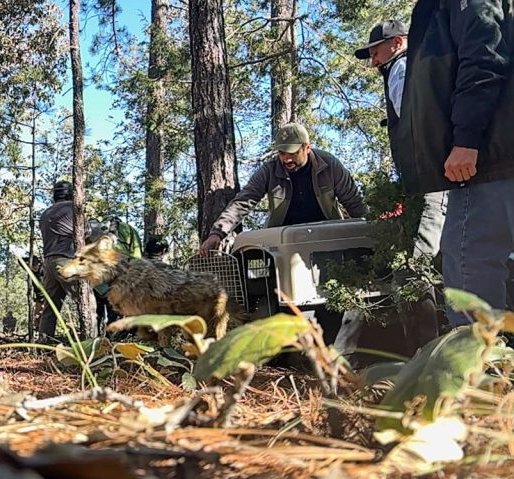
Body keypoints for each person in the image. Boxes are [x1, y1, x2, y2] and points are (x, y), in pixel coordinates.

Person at [394, 1, 514, 327]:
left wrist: (466, 140)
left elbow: (483, 55)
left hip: (486, 162)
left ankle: (476, 371)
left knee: (468, 267)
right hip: (492, 157)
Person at [348, 19, 446, 354]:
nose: (372, 57)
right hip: (429, 185)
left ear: (399, 42)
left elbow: (421, 120)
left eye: (377, 49)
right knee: (447, 267)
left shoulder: (402, 70)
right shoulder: (408, 68)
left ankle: (425, 357)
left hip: (432, 185)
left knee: (414, 272)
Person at [199, 122, 368, 254]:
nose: (287, 159)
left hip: (327, 237)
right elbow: (242, 202)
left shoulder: (330, 165)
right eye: (282, 153)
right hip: (283, 242)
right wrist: (218, 233)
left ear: (307, 147)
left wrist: (373, 231)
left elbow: (353, 202)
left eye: (293, 153)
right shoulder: (269, 170)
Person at [38, 181, 84, 341]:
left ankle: (43, 343)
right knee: (86, 301)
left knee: (50, 308)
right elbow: (86, 232)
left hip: (48, 264)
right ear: (72, 193)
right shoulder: (73, 208)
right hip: (66, 262)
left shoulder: (45, 213)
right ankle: (91, 342)